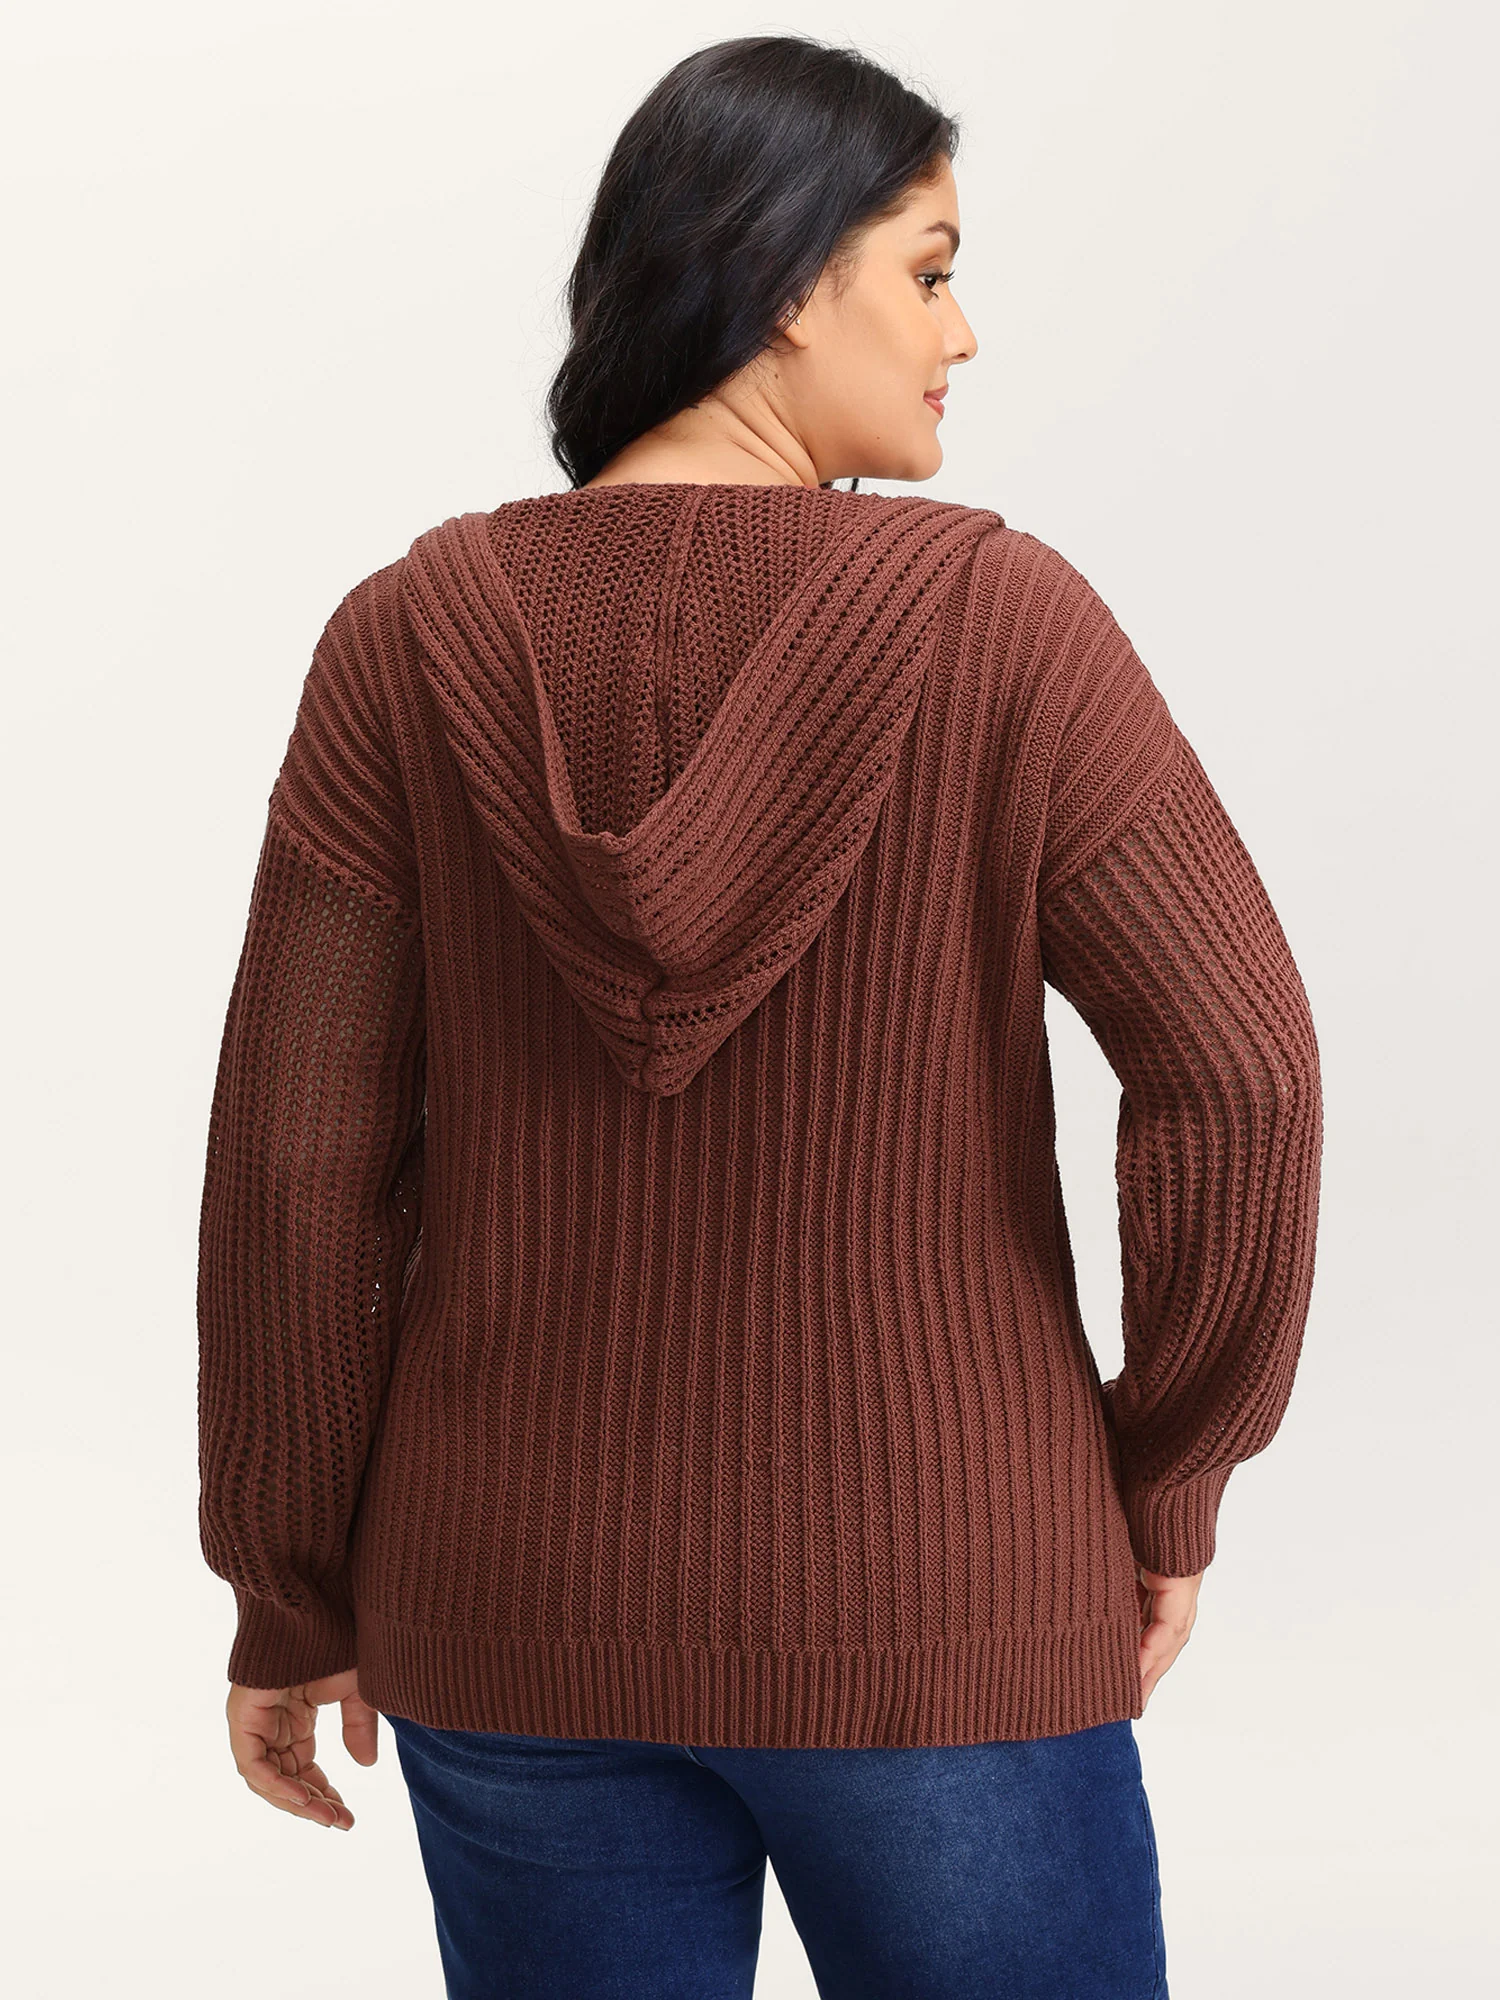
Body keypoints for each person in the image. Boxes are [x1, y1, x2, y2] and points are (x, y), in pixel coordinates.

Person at [196, 32, 1323, 2000]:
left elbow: (299, 1169)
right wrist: (1165, 1473)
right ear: (789, 278)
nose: (963, 333)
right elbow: (1242, 1070)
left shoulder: (406, 639)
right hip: (943, 1597)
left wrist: (289, 1586)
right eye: (931, 269)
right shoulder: (1003, 625)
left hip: (508, 1607)